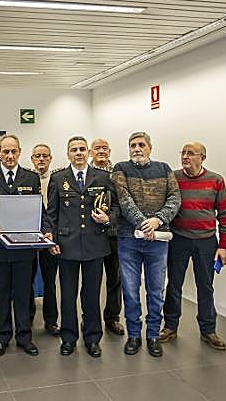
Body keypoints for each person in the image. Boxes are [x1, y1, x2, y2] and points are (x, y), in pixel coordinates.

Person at [47, 136, 119, 357]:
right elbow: (52, 214)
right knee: (68, 295)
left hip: (95, 244)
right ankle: (68, 338)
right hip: (66, 245)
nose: (78, 153)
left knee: (91, 295)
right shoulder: (58, 179)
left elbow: (115, 207)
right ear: (68, 154)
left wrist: (108, 219)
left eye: (81, 149)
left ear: (88, 152)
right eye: (73, 150)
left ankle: (92, 337)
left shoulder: (103, 177)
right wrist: (52, 240)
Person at [112, 131, 180, 358]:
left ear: (150, 147)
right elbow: (124, 200)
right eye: (132, 145)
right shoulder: (121, 169)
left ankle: (152, 335)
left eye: (141, 144)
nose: (137, 149)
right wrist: (143, 224)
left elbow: (174, 198)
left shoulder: (164, 169)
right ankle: (133, 335)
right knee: (130, 291)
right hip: (129, 239)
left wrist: (157, 220)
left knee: (156, 290)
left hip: (158, 240)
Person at [160, 142, 226, 350]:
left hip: (206, 242)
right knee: (174, 284)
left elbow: (225, 215)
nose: (185, 156)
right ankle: (170, 326)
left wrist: (223, 246)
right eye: (183, 152)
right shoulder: (173, 178)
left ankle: (208, 330)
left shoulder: (216, 180)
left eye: (191, 153)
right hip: (178, 239)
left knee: (205, 286)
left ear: (203, 157)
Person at [0, 134, 45, 357]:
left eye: (13, 151)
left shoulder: (31, 178)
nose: (9, 155)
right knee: (1, 294)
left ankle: (24, 337)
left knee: (24, 294)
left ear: (19, 152)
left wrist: (45, 231)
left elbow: (39, 211)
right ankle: (2, 336)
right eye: (5, 151)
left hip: (24, 248)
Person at [89, 138, 125, 336]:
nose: (101, 151)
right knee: (91, 282)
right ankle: (89, 318)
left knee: (114, 279)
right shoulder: (85, 173)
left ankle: (112, 318)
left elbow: (122, 203)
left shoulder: (118, 174)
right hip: (90, 236)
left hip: (113, 234)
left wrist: (109, 219)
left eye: (104, 148)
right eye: (97, 148)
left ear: (110, 151)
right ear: (90, 152)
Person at [30, 143, 60, 336]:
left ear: (50, 158)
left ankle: (51, 320)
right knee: (27, 280)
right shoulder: (27, 179)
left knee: (50, 281)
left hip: (51, 237)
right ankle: (28, 316)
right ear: (32, 159)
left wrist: (52, 234)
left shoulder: (58, 179)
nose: (41, 159)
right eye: (37, 156)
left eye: (45, 156)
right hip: (30, 236)